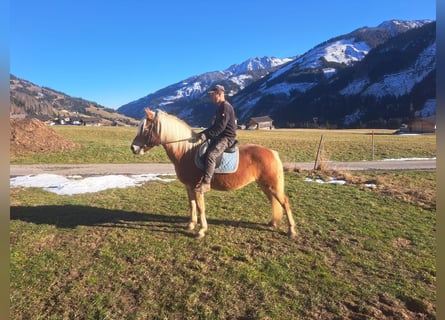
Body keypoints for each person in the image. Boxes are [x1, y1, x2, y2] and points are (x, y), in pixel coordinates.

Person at [195, 84, 237, 193]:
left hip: (227, 138)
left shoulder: (225, 107)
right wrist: (201, 133)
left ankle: (207, 183)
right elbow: (214, 126)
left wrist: (207, 135)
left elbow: (220, 127)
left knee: (211, 154)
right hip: (220, 136)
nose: (211, 97)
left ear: (219, 94)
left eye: (212, 95)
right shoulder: (220, 107)